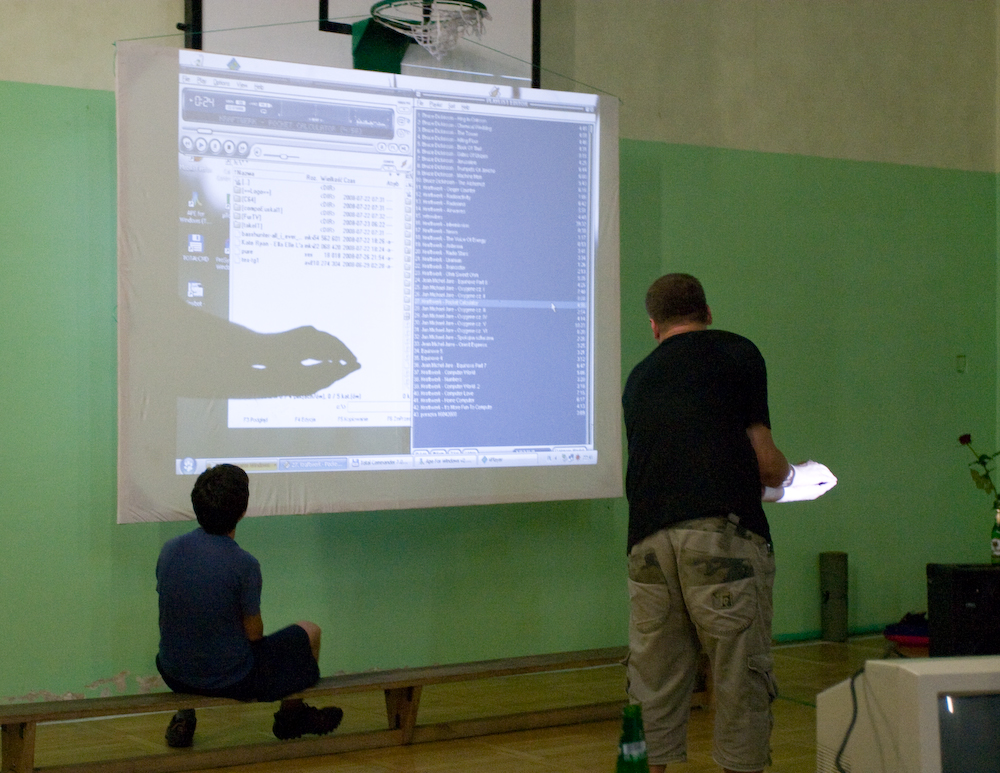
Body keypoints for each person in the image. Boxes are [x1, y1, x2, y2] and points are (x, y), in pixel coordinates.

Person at [621, 274, 791, 773]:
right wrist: (792, 475)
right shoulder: (736, 353)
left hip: (648, 544)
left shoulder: (638, 377)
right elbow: (766, 465)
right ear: (708, 313)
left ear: (654, 326)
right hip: (721, 538)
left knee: (651, 683)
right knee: (740, 679)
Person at [156, 463, 343, 747]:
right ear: (242, 511)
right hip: (230, 680)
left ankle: (185, 717)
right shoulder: (244, 564)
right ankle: (291, 718)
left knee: (192, 638)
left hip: (173, 672)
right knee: (310, 631)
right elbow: (254, 634)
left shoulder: (169, 550)